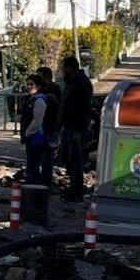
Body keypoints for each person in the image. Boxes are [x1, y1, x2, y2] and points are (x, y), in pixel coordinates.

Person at [57, 55, 95, 201]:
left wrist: (79, 130)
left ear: (70, 68)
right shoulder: (73, 82)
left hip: (76, 127)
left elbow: (84, 108)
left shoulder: (81, 83)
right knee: (67, 158)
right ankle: (74, 187)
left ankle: (77, 190)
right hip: (68, 125)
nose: (63, 72)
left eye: (64, 69)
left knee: (74, 159)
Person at [19, 74, 52, 185]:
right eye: (28, 84)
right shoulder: (31, 99)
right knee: (31, 163)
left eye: (31, 84)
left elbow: (37, 120)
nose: (29, 86)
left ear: (38, 86)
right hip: (33, 136)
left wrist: (27, 133)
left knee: (34, 163)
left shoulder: (39, 100)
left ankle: (35, 185)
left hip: (37, 136)